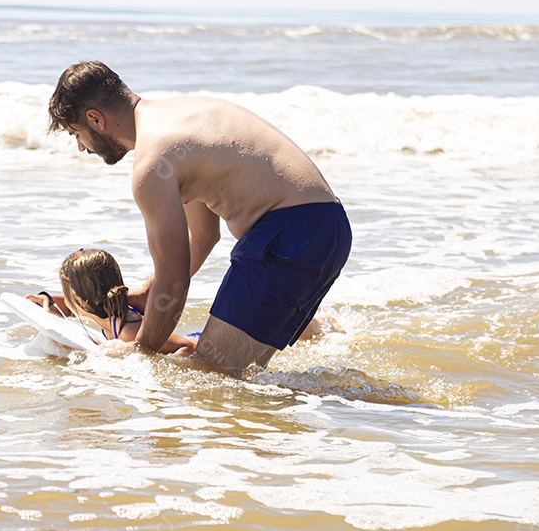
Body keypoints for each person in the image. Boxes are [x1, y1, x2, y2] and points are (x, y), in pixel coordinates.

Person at [47, 61, 352, 378]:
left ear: (96, 119)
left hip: (288, 235)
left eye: (76, 134)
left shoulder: (152, 164)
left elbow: (175, 279)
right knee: (241, 375)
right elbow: (203, 236)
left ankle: (383, 404)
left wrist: (141, 351)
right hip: (328, 226)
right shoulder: (180, 117)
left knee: (211, 373)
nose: (81, 146)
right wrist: (146, 292)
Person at [27, 248, 197, 357]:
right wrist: (46, 300)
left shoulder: (130, 330)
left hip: (198, 342)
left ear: (79, 300)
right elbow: (67, 306)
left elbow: (187, 347)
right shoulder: (103, 310)